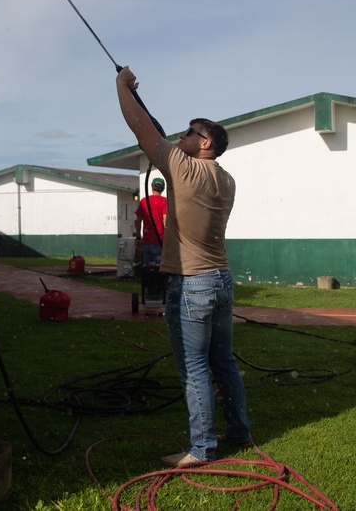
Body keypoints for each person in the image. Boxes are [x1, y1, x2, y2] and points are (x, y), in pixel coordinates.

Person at [115, 66, 252, 467]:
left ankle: (201, 449)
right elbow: (160, 136)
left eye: (190, 132)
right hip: (222, 281)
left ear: (205, 142)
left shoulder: (184, 168)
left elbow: (142, 129)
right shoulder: (225, 179)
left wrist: (121, 86)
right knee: (223, 361)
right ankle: (239, 430)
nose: (182, 136)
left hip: (193, 285)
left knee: (193, 367)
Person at [134, 178, 167, 267]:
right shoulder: (165, 201)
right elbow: (165, 221)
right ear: (163, 189)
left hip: (147, 241)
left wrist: (138, 237)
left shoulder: (144, 201)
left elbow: (138, 221)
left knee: (147, 268)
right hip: (160, 240)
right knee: (159, 269)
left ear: (152, 187)